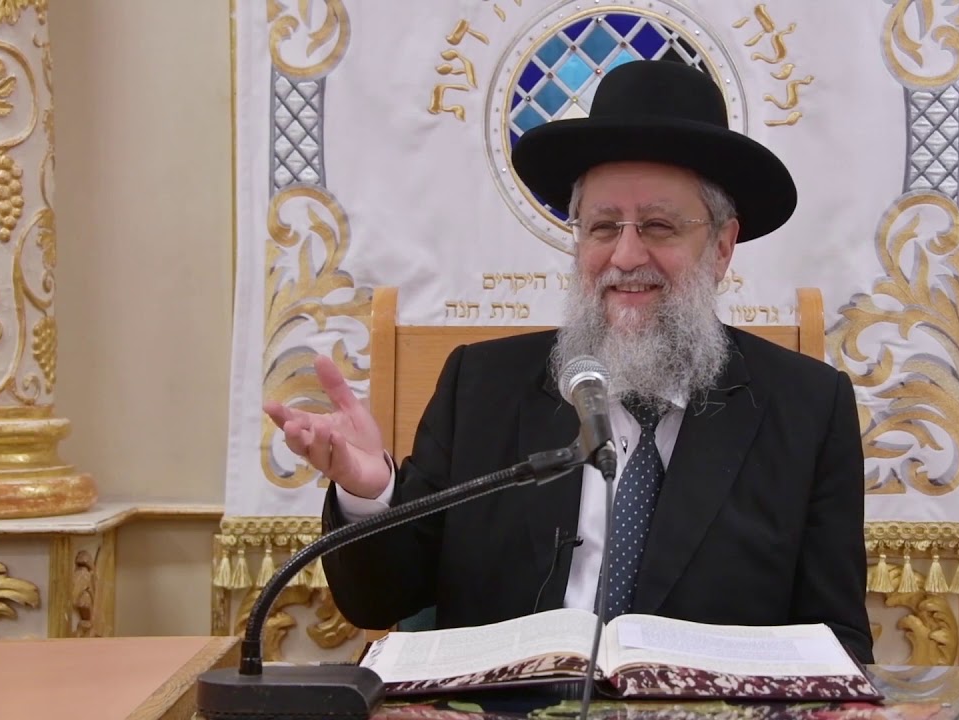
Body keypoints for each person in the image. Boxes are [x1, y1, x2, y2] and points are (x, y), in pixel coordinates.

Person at [264, 59, 874, 664]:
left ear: (721, 246)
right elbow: (381, 600)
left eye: (659, 226)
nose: (625, 256)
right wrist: (370, 494)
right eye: (603, 227)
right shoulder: (480, 387)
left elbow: (838, 645)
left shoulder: (808, 407)